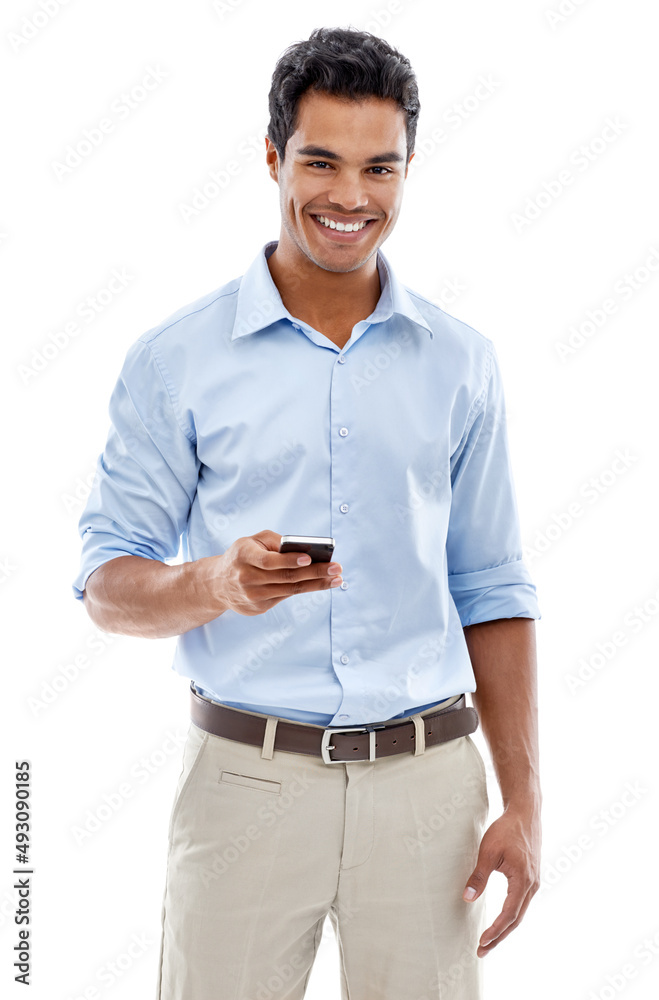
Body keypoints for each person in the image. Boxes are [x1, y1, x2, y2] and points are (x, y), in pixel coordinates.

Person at [72, 26, 542, 1000]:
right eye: (320, 160)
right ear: (272, 156)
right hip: (245, 782)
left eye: (380, 168)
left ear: (407, 170)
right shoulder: (177, 358)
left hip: (427, 789)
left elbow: (490, 584)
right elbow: (106, 584)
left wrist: (524, 799)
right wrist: (209, 582)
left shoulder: (460, 362)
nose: (349, 197)